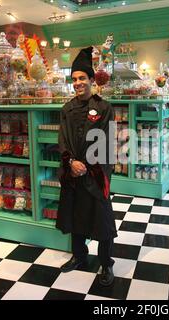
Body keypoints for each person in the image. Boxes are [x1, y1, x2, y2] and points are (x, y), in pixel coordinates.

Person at [56, 46, 117, 286]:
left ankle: (106, 264)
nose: (78, 83)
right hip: (73, 173)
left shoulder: (104, 108)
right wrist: (71, 162)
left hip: (96, 174)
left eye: (82, 78)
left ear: (92, 80)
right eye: (74, 79)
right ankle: (79, 256)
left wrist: (89, 167)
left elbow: (107, 143)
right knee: (75, 216)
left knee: (102, 221)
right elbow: (62, 141)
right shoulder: (66, 109)